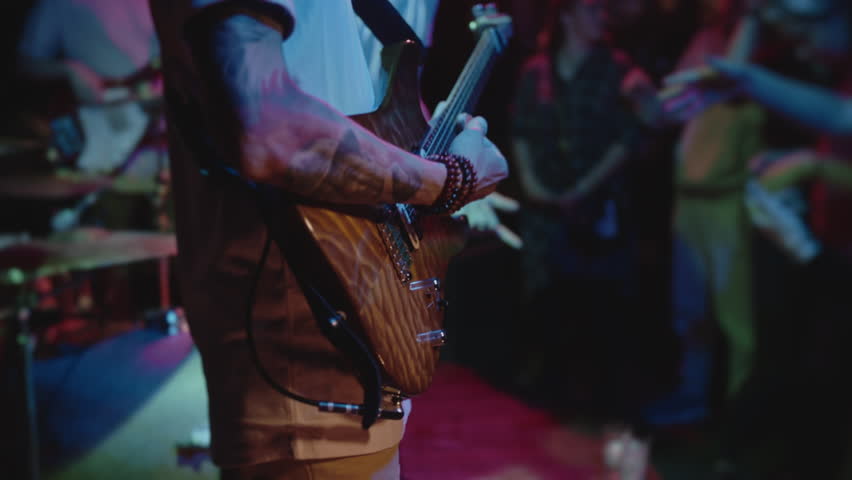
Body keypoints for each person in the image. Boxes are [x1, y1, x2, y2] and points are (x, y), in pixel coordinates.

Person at [147, 0, 509, 478]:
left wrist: (430, 149)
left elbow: (362, 102)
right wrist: (447, 178)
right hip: (300, 372)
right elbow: (267, 129)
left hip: (360, 355)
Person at [509, 0, 666, 476]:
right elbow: (519, 131)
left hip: (599, 219)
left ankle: (618, 446)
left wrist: (580, 190)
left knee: (610, 330)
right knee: (552, 326)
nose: (605, 16)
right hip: (547, 221)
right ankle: (551, 444)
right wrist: (537, 188)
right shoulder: (536, 71)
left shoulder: (619, 69)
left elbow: (642, 131)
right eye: (595, 8)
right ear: (571, 13)